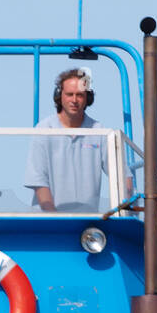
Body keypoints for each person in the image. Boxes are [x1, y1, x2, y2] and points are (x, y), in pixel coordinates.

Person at [24, 68, 108, 212]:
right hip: (47, 221)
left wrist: (124, 206)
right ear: (59, 96)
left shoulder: (99, 131)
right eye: (69, 94)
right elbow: (38, 179)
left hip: (87, 225)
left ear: (87, 98)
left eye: (80, 95)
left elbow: (122, 175)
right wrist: (54, 218)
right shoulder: (44, 129)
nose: (74, 100)